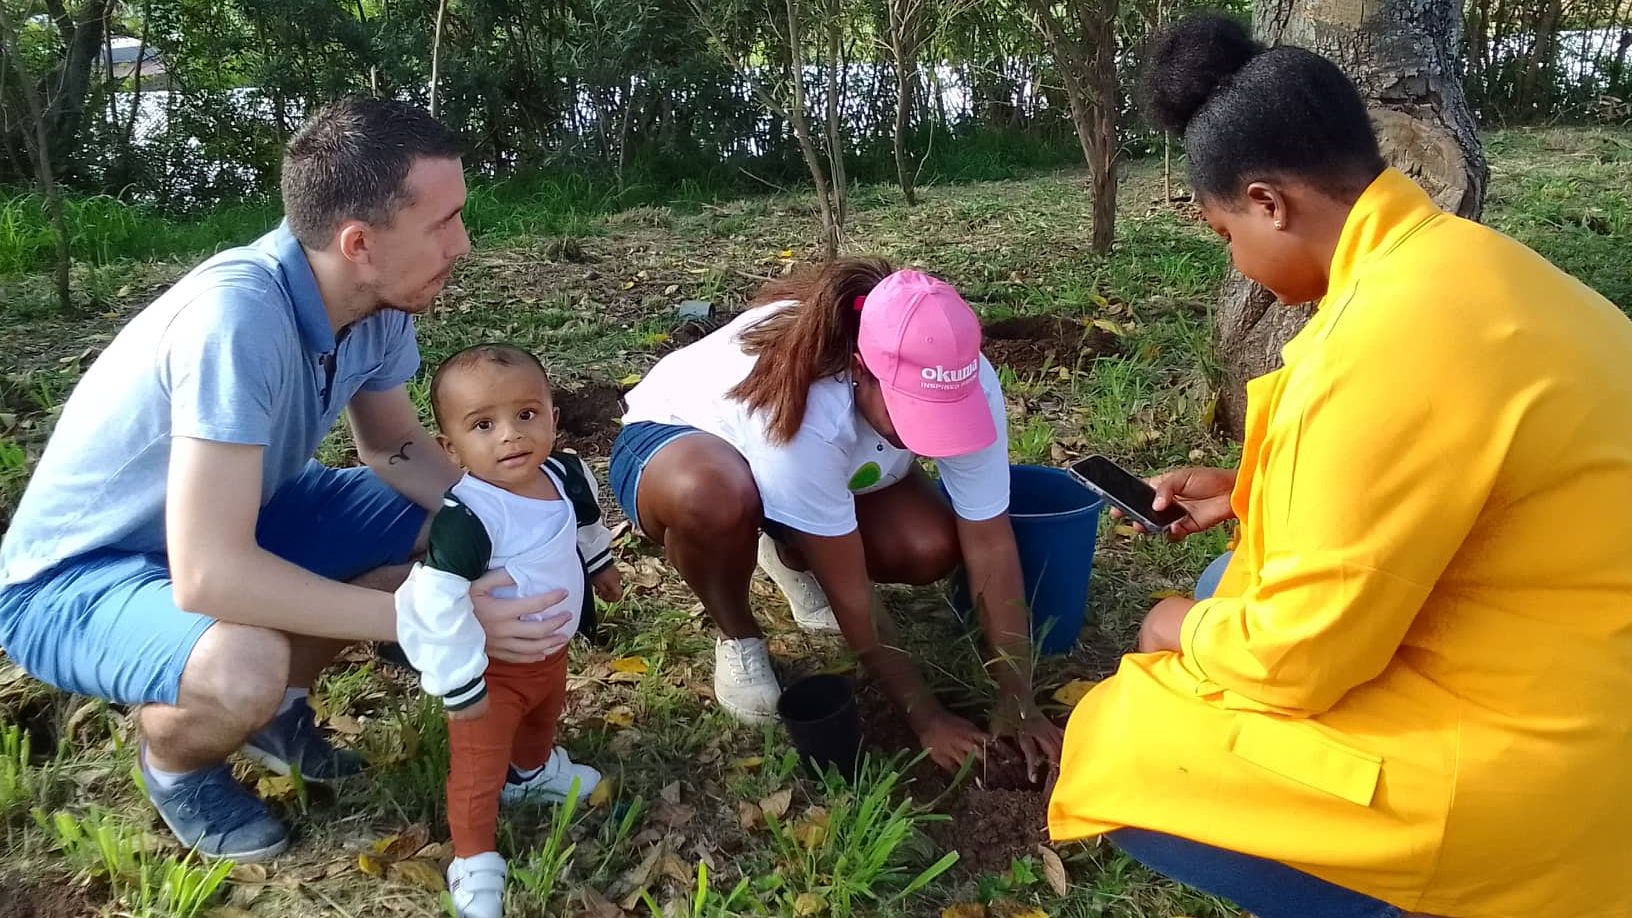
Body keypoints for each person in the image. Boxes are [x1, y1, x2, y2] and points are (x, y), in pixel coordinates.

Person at [1047, 14, 1632, 918]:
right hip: (1578, 649)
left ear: (1267, 201)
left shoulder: (1387, 339)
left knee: (1122, 734)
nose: (1237, 259)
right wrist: (1247, 495)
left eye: (1224, 234)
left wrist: (1174, 631)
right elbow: (1459, 487)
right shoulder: (1467, 265)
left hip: (1560, 767)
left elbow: (1298, 662)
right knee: (1221, 574)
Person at [0, 98, 574, 861]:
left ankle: (280, 711)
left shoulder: (379, 298)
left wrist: (522, 521)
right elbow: (208, 576)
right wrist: (430, 615)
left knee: (460, 517)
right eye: (443, 224)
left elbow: (396, 447)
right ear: (360, 242)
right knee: (244, 663)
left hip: (242, 514)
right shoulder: (235, 319)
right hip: (77, 577)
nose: (462, 244)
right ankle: (177, 762)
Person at [611, 261, 1063, 774]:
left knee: (924, 547)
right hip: (678, 444)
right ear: (859, 368)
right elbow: (851, 591)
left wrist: (1017, 694)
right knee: (714, 499)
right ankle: (738, 634)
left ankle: (789, 541)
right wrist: (926, 718)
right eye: (913, 413)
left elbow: (990, 542)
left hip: (814, 460)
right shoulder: (804, 408)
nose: (925, 437)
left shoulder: (961, 372)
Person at [396, 344, 620, 918]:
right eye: (483, 425)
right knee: (477, 769)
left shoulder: (567, 475)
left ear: (552, 415)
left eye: (526, 415)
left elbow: (586, 527)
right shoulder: (469, 517)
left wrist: (603, 568)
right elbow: (436, 603)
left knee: (545, 718)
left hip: (550, 651)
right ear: (451, 448)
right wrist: (460, 684)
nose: (510, 435)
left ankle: (533, 772)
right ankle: (473, 860)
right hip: (492, 671)